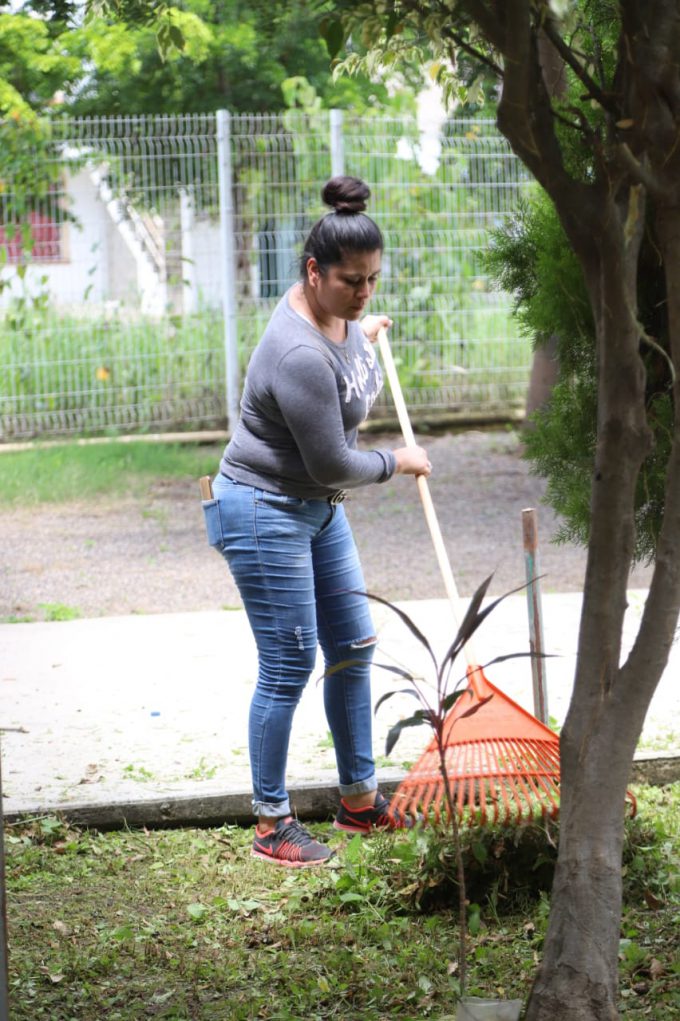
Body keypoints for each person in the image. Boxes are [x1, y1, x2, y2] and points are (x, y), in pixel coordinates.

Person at [203, 175, 431, 867]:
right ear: (313, 272)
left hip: (315, 509)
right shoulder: (298, 352)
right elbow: (334, 462)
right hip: (264, 507)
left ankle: (359, 800)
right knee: (289, 662)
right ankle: (272, 823)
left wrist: (362, 332)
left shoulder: (336, 317)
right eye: (351, 282)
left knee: (355, 645)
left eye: (373, 280)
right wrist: (398, 461)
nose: (364, 292)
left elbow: (344, 345)